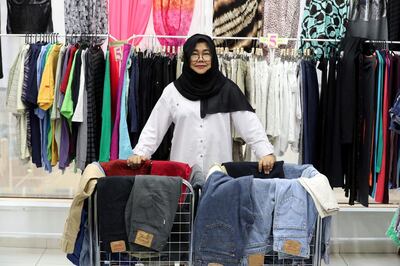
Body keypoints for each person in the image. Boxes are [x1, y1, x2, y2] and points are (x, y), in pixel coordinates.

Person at [127, 34, 276, 174]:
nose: (200, 59)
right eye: (194, 54)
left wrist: (265, 153)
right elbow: (154, 127)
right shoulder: (173, 92)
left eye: (206, 53)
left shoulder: (227, 89)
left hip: (218, 174)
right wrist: (140, 153)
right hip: (183, 174)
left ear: (213, 57)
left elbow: (249, 124)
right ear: (187, 57)